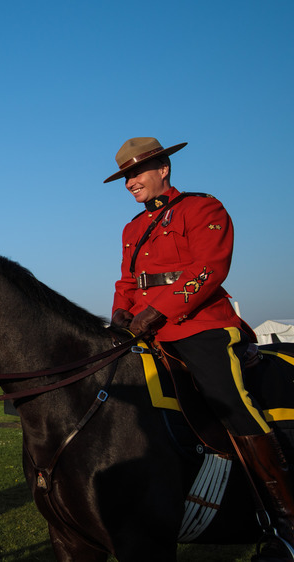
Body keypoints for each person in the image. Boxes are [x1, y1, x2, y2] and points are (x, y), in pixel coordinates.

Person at [105, 137, 294, 547]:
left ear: (163, 168)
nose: (129, 183)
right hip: (143, 328)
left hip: (198, 324)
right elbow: (127, 280)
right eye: (124, 177)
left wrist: (158, 311)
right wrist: (120, 312)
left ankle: (286, 518)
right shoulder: (133, 228)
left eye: (135, 173)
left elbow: (209, 268)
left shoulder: (202, 207)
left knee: (226, 396)